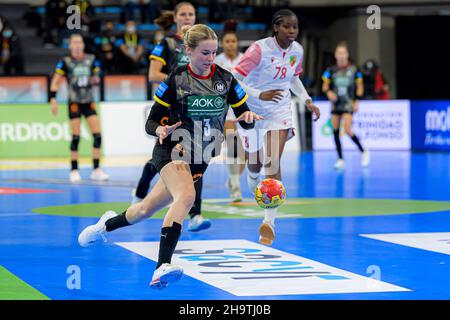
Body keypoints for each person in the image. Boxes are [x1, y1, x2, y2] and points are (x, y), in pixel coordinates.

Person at [78, 24, 262, 289]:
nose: (210, 58)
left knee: (143, 210)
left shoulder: (226, 79)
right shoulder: (175, 79)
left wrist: (247, 118)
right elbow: (151, 122)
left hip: (202, 156)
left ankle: (104, 226)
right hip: (172, 148)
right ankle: (161, 266)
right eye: (204, 53)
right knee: (187, 196)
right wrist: (161, 128)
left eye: (213, 52)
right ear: (188, 51)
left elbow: (244, 116)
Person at [232, 9, 320, 246]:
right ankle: (252, 176)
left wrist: (307, 100)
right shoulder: (259, 49)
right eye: (287, 27)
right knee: (255, 162)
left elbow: (293, 78)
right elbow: (234, 78)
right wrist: (260, 93)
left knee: (272, 162)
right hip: (250, 109)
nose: (292, 31)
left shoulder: (298, 50)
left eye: (295, 27)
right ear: (276, 28)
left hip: (279, 110)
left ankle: (269, 223)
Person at [133, 2, 211, 233]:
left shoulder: (201, 45)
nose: (187, 18)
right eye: (183, 14)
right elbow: (152, 74)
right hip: (169, 109)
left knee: (196, 155)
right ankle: (140, 190)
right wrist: (181, 81)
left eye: (191, 14)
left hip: (194, 109)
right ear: (176, 18)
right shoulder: (166, 43)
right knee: (166, 156)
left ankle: (196, 214)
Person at [49, 34, 109, 182]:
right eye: (74, 42)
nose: (76, 45)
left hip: (89, 101)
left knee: (97, 136)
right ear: (69, 46)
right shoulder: (65, 61)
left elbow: (97, 76)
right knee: (76, 136)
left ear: (83, 45)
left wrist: (95, 79)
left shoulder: (91, 59)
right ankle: (74, 170)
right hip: (74, 101)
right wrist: (53, 99)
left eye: (79, 42)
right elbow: (55, 81)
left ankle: (96, 169)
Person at [322, 41, 369, 170]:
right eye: (339, 53)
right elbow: (324, 86)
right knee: (335, 131)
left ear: (347, 55)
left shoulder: (355, 69)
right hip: (335, 104)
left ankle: (364, 152)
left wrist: (357, 100)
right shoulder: (330, 70)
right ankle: (340, 159)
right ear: (336, 55)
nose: (341, 55)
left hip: (348, 103)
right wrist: (329, 92)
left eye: (343, 53)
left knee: (347, 129)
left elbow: (360, 86)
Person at [214, 22, 245, 202]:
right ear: (222, 43)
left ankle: (233, 179)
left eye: (233, 41)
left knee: (246, 153)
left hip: (243, 107)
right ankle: (236, 188)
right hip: (225, 109)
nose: (231, 44)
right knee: (233, 146)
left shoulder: (245, 59)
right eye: (227, 41)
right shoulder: (217, 61)